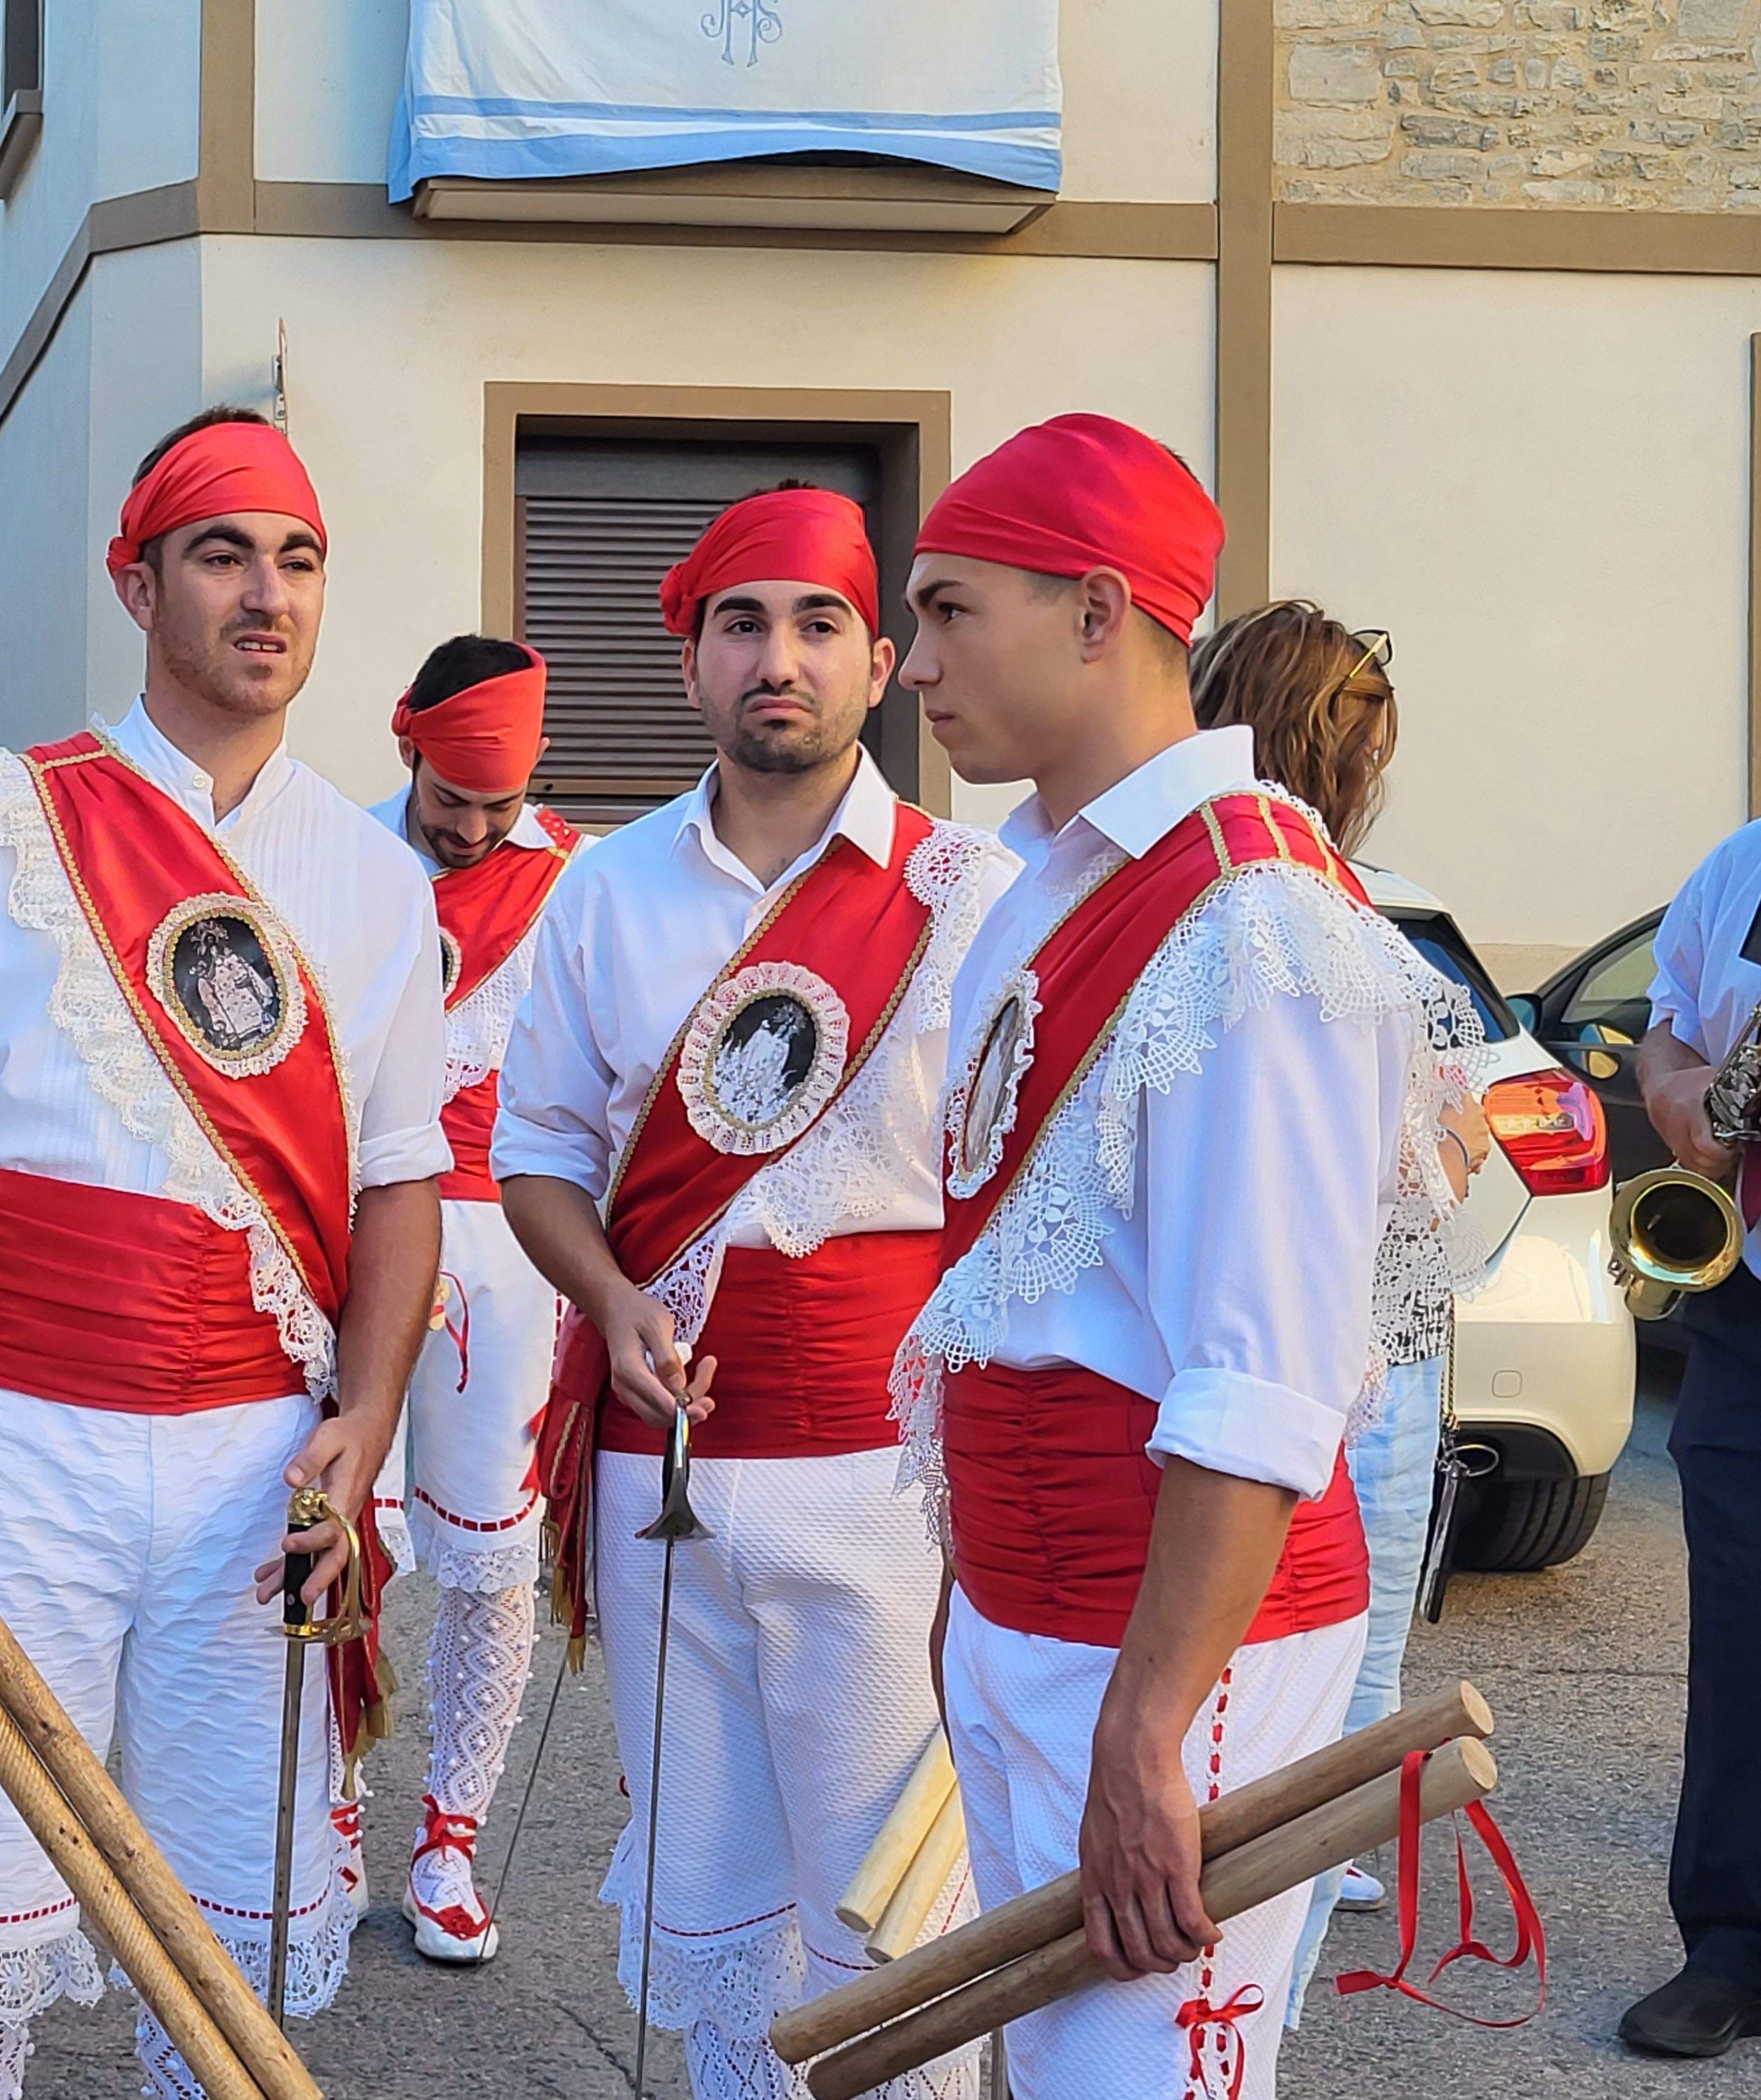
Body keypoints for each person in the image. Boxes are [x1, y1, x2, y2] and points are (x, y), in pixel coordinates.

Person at [892, 415, 1477, 2100]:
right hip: (1044, 1604)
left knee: (1140, 2081)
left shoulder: (1251, 922)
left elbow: (1261, 1379)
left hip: (1164, 1640)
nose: (912, 663)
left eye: (949, 612)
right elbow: (1013, 1294)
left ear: (1094, 613)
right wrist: (973, 1599)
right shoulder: (1049, 882)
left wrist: (1147, 1723)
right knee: (1066, 2066)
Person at [0, 406, 448, 2097]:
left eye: (296, 559)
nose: (264, 594)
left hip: (252, 1456)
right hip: (11, 1433)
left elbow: (401, 1184)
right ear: (138, 583)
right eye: (222, 553)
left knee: (225, 1917)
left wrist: (363, 1420)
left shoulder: (372, 875)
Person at [496, 485, 1016, 2099]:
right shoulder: (604, 891)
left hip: (890, 1474)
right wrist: (604, 1296)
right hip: (664, 1479)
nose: (772, 659)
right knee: (719, 1899)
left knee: (891, 1916)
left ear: (878, 662)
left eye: (812, 625)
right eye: (739, 624)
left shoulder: (966, 898)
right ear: (688, 663)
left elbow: (1019, 1197)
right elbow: (533, 1153)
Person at [1190, 601, 1494, 2027]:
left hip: (1256, 1367)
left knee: (1224, 1731)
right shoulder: (1334, 918)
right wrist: (1446, 1139)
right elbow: (1417, 1173)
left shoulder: (1174, 897)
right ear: (1347, 746)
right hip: (1358, 1372)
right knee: (1324, 1734)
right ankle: (1251, 2034)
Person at [360, 633, 578, 1963]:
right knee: (340, 1532)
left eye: (501, 806)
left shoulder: (579, 881)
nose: (478, 831)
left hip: (511, 1239)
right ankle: (330, 1813)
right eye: (454, 803)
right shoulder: (338, 850)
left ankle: (451, 1837)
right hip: (363, 1219)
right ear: (409, 750)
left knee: (491, 1564)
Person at [1625, 823, 1761, 2058]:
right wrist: (1674, 1091)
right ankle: (1731, 1945)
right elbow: (1669, 1015)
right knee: (1738, 1629)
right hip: (1750, 1307)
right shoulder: (1742, 865)